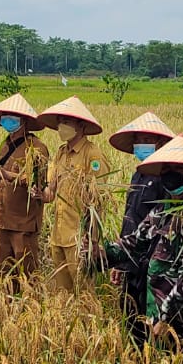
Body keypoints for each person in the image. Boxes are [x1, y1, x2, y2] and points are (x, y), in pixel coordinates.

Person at [103, 135, 183, 348]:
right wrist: (101, 251)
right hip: (155, 310)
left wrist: (166, 316)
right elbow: (134, 244)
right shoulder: (160, 210)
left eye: (178, 169)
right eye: (166, 169)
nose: (170, 175)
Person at [105, 111, 179, 341]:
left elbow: (164, 226)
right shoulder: (138, 174)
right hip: (131, 258)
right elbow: (129, 220)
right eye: (138, 140)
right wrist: (119, 262)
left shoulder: (167, 180)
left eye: (146, 140)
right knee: (131, 319)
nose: (141, 145)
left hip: (152, 263)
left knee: (151, 324)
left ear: (160, 143)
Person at [38, 96, 111, 294]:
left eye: (67, 122)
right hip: (59, 235)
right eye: (60, 121)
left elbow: (99, 201)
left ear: (81, 126)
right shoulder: (61, 153)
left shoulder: (92, 155)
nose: (62, 126)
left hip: (80, 239)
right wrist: (37, 192)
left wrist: (92, 239)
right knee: (62, 293)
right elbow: (50, 193)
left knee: (84, 293)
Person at [0, 93, 50, 291]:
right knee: (5, 276)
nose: (6, 120)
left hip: (24, 223)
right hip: (3, 222)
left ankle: (30, 314)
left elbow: (36, 182)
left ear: (24, 121)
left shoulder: (37, 148)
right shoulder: (4, 146)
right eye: (4, 116)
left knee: (27, 276)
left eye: (11, 116)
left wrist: (8, 175)